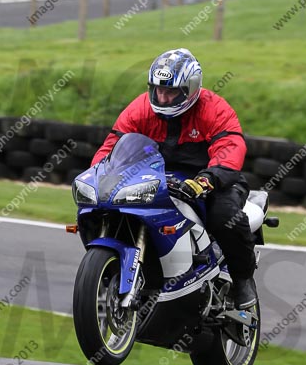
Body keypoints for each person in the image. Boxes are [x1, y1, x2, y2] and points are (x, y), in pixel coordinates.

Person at [91, 47, 257, 309]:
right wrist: (100, 174)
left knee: (224, 216)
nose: (163, 97)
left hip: (214, 179)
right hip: (159, 176)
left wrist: (206, 181)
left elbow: (230, 149)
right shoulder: (140, 109)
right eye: (158, 90)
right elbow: (112, 145)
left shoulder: (214, 108)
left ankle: (242, 279)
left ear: (189, 90)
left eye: (170, 92)